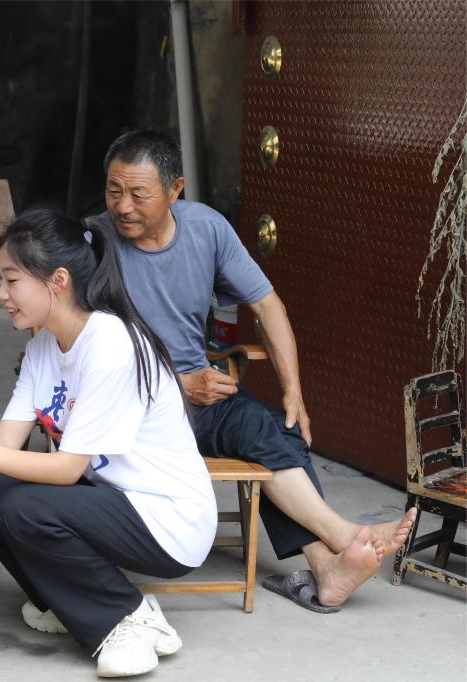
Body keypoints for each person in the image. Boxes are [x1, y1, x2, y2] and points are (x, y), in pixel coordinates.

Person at [90, 130, 415, 610]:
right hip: (130, 407)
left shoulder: (206, 229)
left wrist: (293, 392)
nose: (123, 206)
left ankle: (326, 567)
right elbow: (78, 355)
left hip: (199, 402)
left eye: (138, 194)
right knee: (262, 430)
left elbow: (267, 306)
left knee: (276, 427)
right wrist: (177, 382)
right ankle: (343, 536)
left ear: (175, 190)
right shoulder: (92, 244)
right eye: (114, 191)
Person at [0, 209, 217, 677]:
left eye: (12, 280)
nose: (2, 294)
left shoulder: (111, 342)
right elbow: (6, 440)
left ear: (57, 281)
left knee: (25, 507)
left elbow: (66, 469)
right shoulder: (42, 347)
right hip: (111, 498)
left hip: (167, 518)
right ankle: (62, 602)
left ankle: (129, 619)